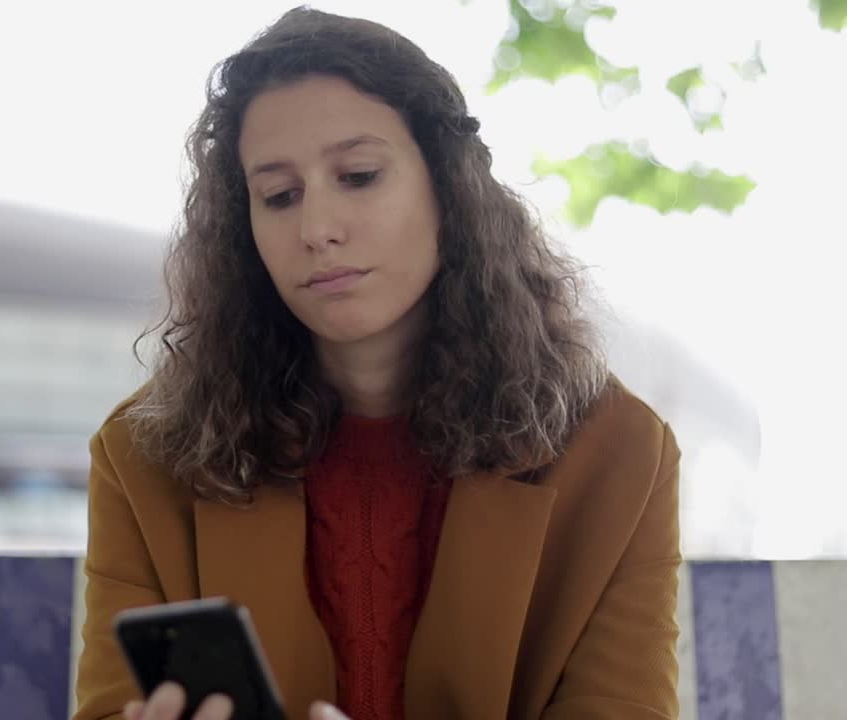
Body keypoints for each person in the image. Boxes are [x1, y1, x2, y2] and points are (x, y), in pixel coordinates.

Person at [74, 7, 681, 720]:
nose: (317, 229)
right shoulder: (143, 457)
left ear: (449, 187)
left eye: (358, 176)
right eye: (279, 196)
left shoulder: (617, 452)